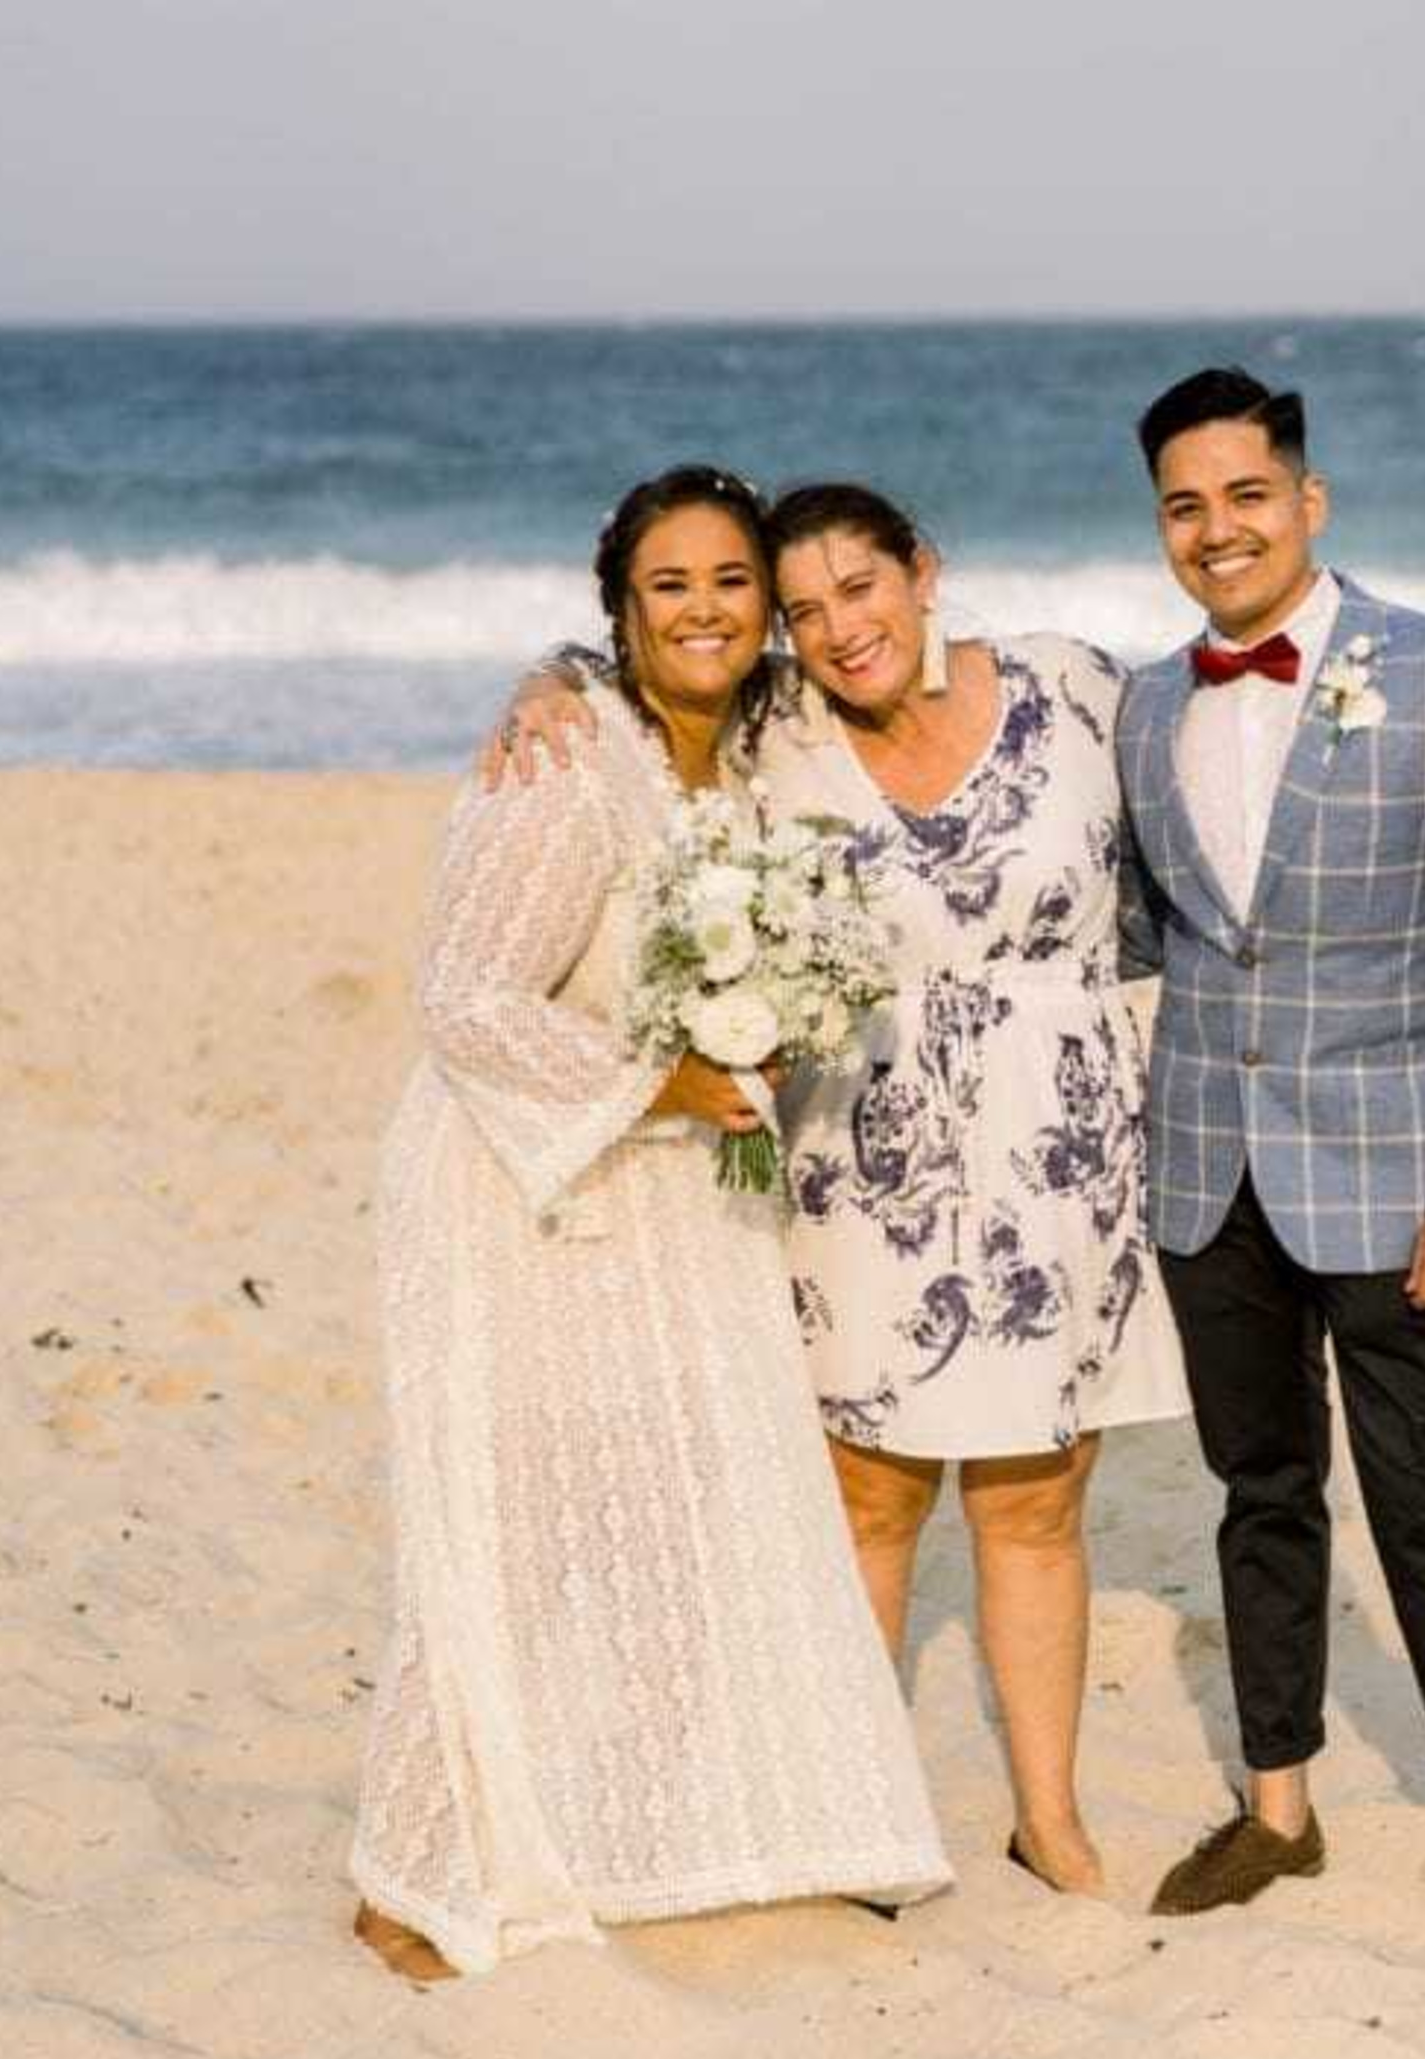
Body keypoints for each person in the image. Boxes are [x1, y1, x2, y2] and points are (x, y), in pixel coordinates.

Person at [492, 482, 1188, 1898]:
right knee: (871, 1500)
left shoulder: (1073, 689)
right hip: (866, 1169)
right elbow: (649, 684)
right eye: (800, 611)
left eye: (858, 590)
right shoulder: (776, 737)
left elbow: (1218, 788)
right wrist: (544, 677)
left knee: (1037, 1498)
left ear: (924, 572)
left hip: (1068, 1164)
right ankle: (863, 1813)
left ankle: (1043, 1810)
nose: (834, 630)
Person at [350, 465, 948, 1982]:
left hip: (670, 1190)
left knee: (666, 1505)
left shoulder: (747, 764)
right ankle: (415, 1875)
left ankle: (634, 1827)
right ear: (620, 609)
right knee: (500, 1532)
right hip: (514, 1187)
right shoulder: (570, 759)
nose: (706, 610)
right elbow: (461, 998)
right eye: (669, 585)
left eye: (733, 583)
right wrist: (661, 1076)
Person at [1117, 366, 1425, 1961]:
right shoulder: (1148, 702)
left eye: (1247, 495)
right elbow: (1140, 927)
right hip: (1205, 1176)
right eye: (1185, 504)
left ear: (1308, 504)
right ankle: (1277, 1808)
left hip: (1398, 1181)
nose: (1217, 528)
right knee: (1260, 1493)